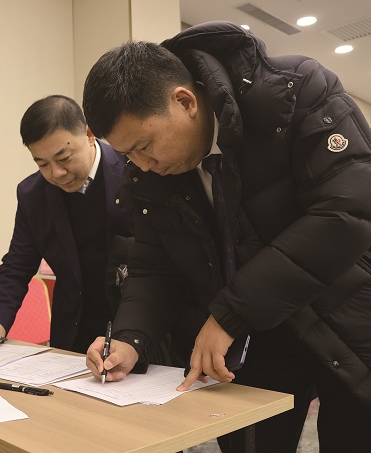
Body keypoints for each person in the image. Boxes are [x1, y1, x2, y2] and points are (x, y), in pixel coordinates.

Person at [82, 22, 371, 452]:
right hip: (254, 343)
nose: (141, 164)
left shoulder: (296, 92)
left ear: (185, 101)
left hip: (347, 316)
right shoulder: (153, 175)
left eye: (144, 145)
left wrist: (229, 314)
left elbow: (346, 213)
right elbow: (154, 266)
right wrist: (130, 338)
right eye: (127, 155)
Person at [0, 95, 134, 354]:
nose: (56, 173)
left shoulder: (132, 171)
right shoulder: (33, 195)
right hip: (73, 336)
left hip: (136, 329)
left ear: (89, 134)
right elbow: (17, 265)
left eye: (64, 158)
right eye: (42, 164)